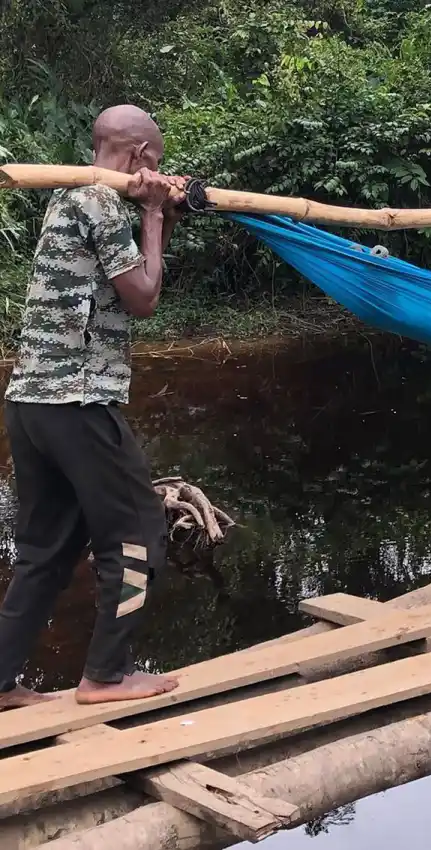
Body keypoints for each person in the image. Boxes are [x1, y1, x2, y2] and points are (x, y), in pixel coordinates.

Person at [0, 105, 186, 710]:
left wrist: (161, 211)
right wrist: (153, 215)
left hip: (31, 401)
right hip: (76, 398)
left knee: (46, 549)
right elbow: (143, 298)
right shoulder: (106, 205)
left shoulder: (69, 197)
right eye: (154, 163)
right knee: (139, 530)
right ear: (140, 158)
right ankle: (106, 675)